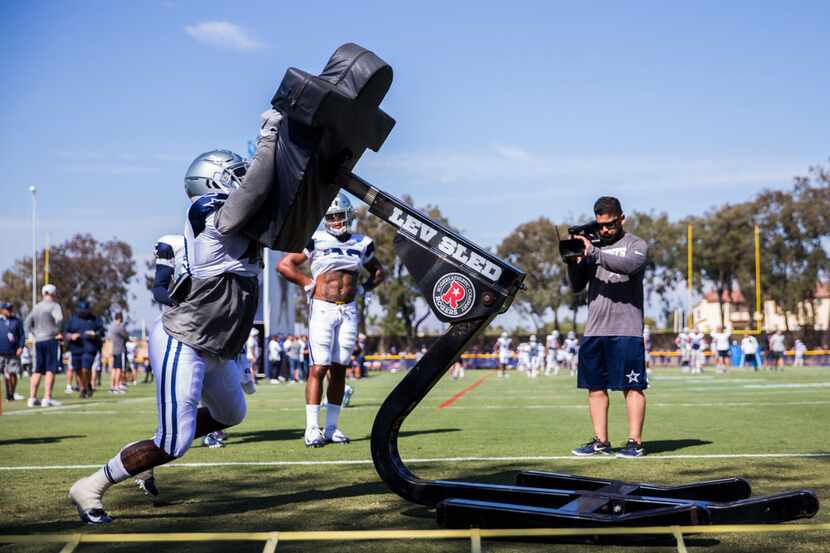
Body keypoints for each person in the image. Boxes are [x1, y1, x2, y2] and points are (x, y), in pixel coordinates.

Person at [69, 108, 282, 524]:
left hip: (217, 345)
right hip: (183, 339)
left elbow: (278, 203)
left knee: (231, 414)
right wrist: (270, 136)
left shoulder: (242, 218)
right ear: (214, 181)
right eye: (234, 174)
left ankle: (147, 454)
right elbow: (257, 192)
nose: (241, 179)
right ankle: (91, 485)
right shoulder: (208, 211)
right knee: (176, 442)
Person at [278, 193, 386, 448]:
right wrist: (307, 283)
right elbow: (285, 265)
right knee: (319, 367)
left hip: (348, 310)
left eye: (339, 215)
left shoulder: (363, 243)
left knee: (339, 369)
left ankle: (331, 428)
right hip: (323, 309)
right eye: (331, 216)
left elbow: (379, 272)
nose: (336, 220)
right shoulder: (315, 239)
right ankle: (311, 428)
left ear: (349, 215)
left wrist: (364, 288)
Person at [567, 196, 649, 458]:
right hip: (594, 329)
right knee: (595, 387)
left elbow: (628, 266)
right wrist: (573, 260)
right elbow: (577, 286)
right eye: (601, 225)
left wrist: (593, 252)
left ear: (621, 219)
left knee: (632, 387)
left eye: (611, 225)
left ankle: (635, 442)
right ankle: (601, 441)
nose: (604, 230)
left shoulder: (636, 245)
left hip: (626, 328)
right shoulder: (593, 248)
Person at [24, 284, 64, 407]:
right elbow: (60, 319)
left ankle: (32, 397)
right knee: (50, 369)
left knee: (37, 370)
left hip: (38, 341)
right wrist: (57, 331)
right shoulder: (54, 306)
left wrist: (33, 333)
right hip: (51, 340)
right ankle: (47, 398)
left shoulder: (36, 307)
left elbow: (27, 323)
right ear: (54, 293)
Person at [65, 299, 105, 398]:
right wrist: (71, 336)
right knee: (78, 370)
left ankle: (87, 385)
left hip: (90, 348)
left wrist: (95, 334)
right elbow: (66, 332)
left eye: (85, 311)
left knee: (85, 369)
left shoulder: (95, 319)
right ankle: (83, 388)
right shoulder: (72, 319)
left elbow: (102, 331)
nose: (83, 313)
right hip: (76, 348)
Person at [0, 302, 26, 401]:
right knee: (5, 373)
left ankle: (11, 393)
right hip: (1, 352)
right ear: (2, 310)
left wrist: (21, 347)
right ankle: (8, 393)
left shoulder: (17, 321)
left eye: (10, 309)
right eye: (7, 309)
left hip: (13, 352)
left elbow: (22, 335)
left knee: (12, 373)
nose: (9, 311)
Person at [109, 312, 131, 394]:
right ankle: (117, 386)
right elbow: (126, 336)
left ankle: (112, 386)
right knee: (119, 369)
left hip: (114, 350)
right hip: (120, 350)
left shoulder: (112, 327)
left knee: (114, 369)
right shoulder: (120, 327)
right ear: (120, 318)